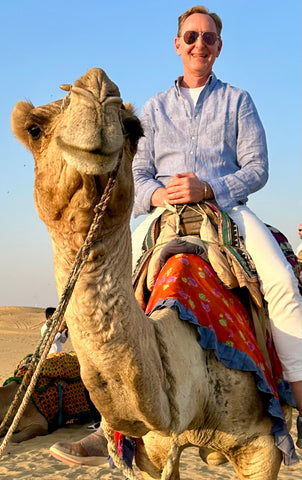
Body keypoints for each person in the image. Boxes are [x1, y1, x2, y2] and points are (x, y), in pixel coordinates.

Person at [49, 5, 302, 465]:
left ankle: (298, 403)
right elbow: (138, 171)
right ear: (177, 44)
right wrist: (159, 195)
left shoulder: (239, 101)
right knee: (107, 296)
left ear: (219, 47)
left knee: (283, 284)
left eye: (208, 38)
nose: (199, 45)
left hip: (226, 212)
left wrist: (211, 187)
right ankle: (106, 428)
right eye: (191, 37)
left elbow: (257, 167)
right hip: (164, 215)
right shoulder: (153, 108)